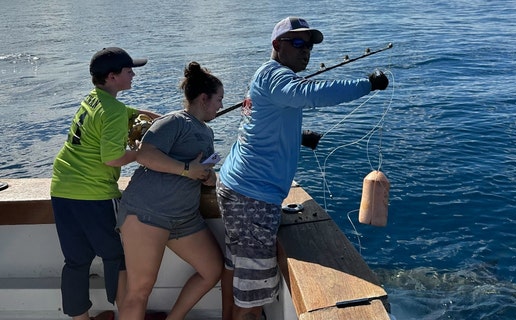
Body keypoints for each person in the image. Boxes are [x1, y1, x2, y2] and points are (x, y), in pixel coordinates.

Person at [216, 16, 389, 320]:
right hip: (252, 198)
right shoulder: (277, 78)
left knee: (237, 270)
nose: (305, 50)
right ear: (276, 45)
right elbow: (312, 94)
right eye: (297, 43)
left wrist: (299, 137)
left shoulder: (268, 76)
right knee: (253, 295)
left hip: (239, 188)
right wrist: (368, 84)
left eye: (308, 45)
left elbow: (263, 125)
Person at [50, 47, 160, 320]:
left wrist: (166, 120)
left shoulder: (93, 99)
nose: (133, 74)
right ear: (112, 77)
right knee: (118, 256)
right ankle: (127, 313)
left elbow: (130, 113)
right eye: (128, 70)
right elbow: (112, 158)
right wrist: (141, 155)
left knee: (75, 261)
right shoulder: (113, 110)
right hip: (94, 194)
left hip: (62, 188)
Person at [117, 61, 224, 320]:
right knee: (139, 290)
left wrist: (207, 177)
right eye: (219, 99)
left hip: (184, 218)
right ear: (203, 98)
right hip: (148, 213)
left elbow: (197, 168)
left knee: (212, 270)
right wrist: (188, 169)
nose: (221, 105)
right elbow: (144, 155)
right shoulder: (173, 122)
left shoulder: (206, 131)